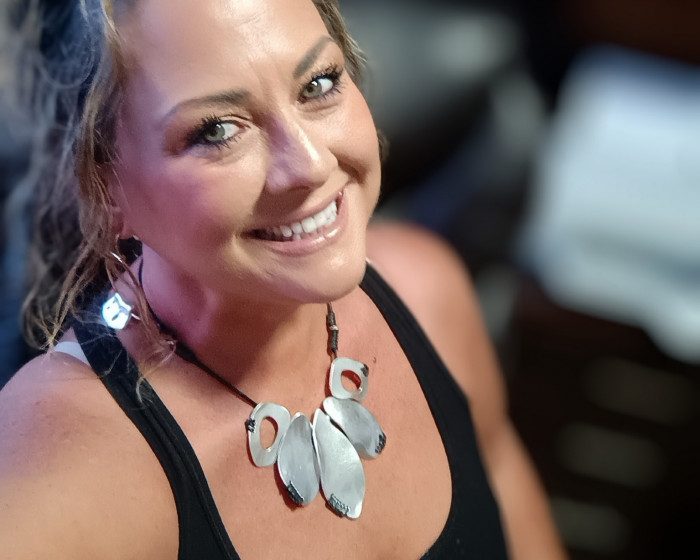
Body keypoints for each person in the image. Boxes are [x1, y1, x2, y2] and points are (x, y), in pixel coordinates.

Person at [0, 0, 567, 558]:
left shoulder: (426, 292)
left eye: (318, 84)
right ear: (103, 192)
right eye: (218, 130)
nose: (312, 165)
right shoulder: (64, 472)